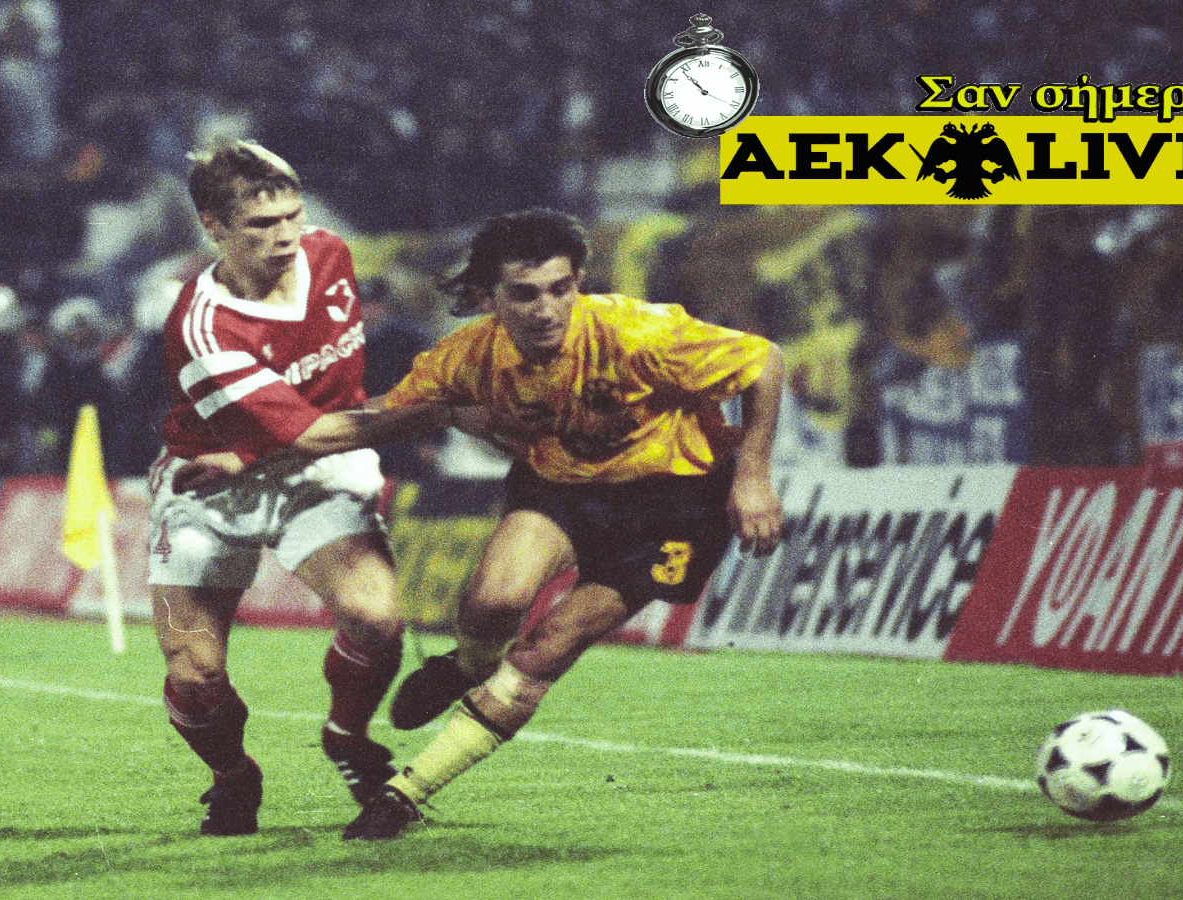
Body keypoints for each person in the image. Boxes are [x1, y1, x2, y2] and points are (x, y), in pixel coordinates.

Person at [194, 208, 785, 840]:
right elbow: (371, 420)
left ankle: (405, 793)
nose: (546, 310)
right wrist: (246, 455)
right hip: (563, 486)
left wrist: (752, 476)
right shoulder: (469, 358)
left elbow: (764, 362)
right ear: (487, 297)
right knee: (492, 602)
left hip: (675, 506)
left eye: (560, 289)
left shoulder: (635, 332)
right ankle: (470, 665)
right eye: (524, 294)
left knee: (544, 649)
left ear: (579, 282)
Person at [147, 139, 409, 836]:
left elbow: (320, 424)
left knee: (376, 618)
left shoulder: (332, 253)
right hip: (210, 488)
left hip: (313, 473)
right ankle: (234, 775)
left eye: (293, 215)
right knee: (194, 675)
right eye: (262, 224)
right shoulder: (202, 326)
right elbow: (312, 429)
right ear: (213, 227)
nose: (287, 235)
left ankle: (347, 738)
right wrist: (440, 410)